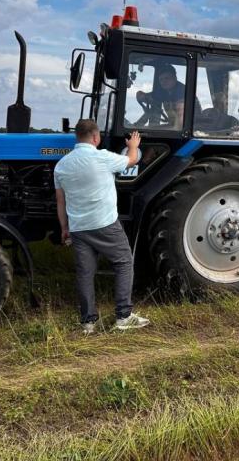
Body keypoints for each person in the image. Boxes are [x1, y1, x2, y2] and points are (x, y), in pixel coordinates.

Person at [54, 119, 150, 334]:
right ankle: (123, 316)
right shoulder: (102, 157)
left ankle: (88, 322)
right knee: (124, 262)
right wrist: (133, 145)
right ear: (96, 138)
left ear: (77, 137)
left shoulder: (61, 165)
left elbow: (61, 202)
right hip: (105, 224)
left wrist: (64, 228)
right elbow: (132, 160)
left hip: (78, 227)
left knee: (85, 273)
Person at [136, 65, 190, 129]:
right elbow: (145, 96)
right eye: (161, 79)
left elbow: (181, 118)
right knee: (148, 130)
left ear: (174, 78)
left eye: (167, 78)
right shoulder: (163, 92)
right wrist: (141, 95)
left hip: (187, 127)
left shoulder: (182, 91)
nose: (163, 82)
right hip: (174, 125)